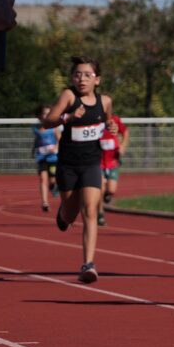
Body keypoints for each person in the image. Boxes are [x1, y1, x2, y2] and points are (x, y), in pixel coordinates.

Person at [44, 57, 114, 282]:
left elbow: (109, 122)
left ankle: (88, 264)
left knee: (90, 211)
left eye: (87, 75)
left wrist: (111, 126)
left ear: (97, 80)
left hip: (92, 163)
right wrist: (68, 117)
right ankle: (63, 214)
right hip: (68, 164)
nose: (81, 79)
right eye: (77, 74)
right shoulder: (69, 96)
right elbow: (48, 121)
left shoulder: (105, 102)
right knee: (71, 213)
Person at [98, 112, 129, 224]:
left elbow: (125, 132)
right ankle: (100, 214)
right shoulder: (95, 120)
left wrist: (123, 146)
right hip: (98, 162)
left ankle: (107, 195)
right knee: (100, 189)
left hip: (113, 161)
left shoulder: (115, 119)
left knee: (111, 190)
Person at [32, 106, 60, 212]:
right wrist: (33, 150)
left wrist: (56, 148)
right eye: (44, 113)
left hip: (53, 158)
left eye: (49, 113)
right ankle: (44, 202)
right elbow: (37, 141)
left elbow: (59, 139)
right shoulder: (35, 128)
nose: (46, 116)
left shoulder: (54, 127)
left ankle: (53, 186)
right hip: (41, 157)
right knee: (43, 179)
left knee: (52, 180)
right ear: (39, 116)